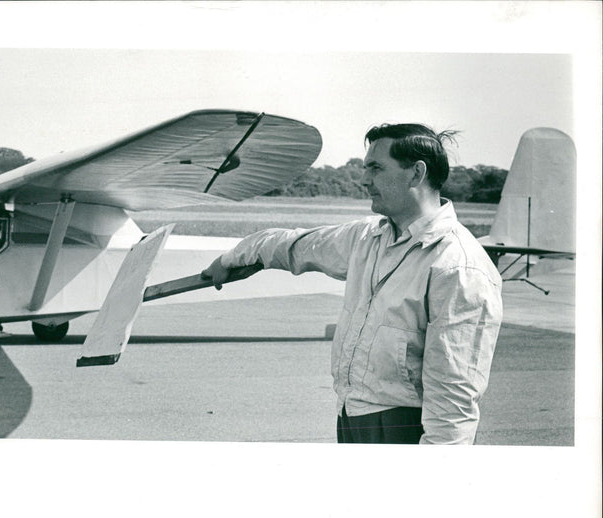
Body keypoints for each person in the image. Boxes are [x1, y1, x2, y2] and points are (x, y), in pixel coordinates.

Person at [202, 123, 503, 444]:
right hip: (351, 414)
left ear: (416, 173)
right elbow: (295, 245)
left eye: (375, 168)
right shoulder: (368, 237)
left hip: (405, 426)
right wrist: (231, 258)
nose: (364, 180)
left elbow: (454, 396)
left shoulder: (459, 267)